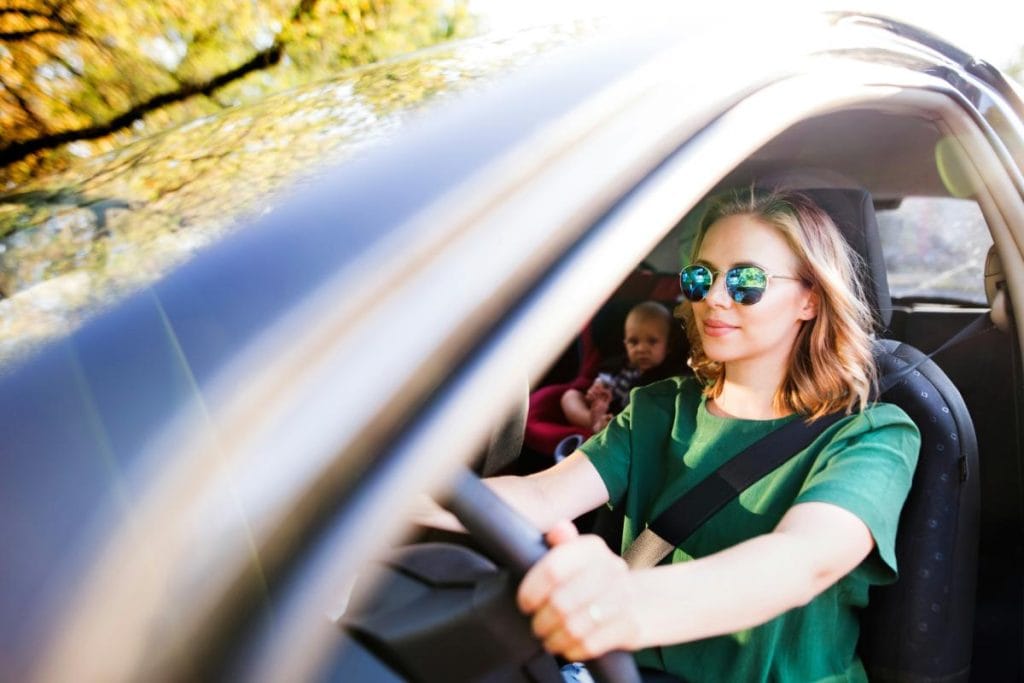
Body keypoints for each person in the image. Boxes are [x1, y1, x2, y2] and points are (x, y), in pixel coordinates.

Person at [423, 187, 920, 682]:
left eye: (747, 281)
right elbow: (539, 494)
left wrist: (623, 606)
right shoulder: (660, 408)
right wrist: (384, 505)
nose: (715, 298)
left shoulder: (873, 436)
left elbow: (800, 561)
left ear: (809, 299)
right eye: (701, 277)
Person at [559, 301, 674, 436]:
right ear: (625, 344)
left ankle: (606, 427)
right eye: (633, 342)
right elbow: (602, 381)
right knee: (570, 396)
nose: (641, 349)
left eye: (652, 341)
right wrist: (595, 392)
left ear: (668, 346)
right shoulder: (618, 364)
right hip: (602, 409)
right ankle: (593, 422)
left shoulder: (666, 377)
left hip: (627, 420)